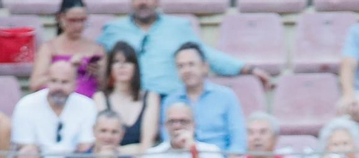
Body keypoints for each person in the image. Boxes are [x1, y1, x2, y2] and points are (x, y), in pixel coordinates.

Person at [97, 0, 272, 100]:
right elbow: (95, 58)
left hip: (170, 99)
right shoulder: (113, 30)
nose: (143, 2)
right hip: (132, 100)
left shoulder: (178, 27)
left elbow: (206, 54)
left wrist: (248, 69)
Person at [11, 58, 96, 158]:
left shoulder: (87, 105)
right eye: (54, 81)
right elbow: (25, 147)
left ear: (75, 84)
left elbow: (85, 146)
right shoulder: (26, 105)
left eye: (64, 82)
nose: (58, 87)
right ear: (47, 81)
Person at [163, 41, 244, 156]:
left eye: (191, 64)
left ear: (205, 67)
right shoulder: (170, 101)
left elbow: (238, 141)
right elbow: (167, 140)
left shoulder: (226, 97)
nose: (186, 70)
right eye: (181, 66)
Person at [94, 40, 158, 154]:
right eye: (116, 61)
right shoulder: (100, 97)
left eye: (128, 61)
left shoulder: (151, 97)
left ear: (135, 67)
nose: (122, 66)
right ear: (110, 67)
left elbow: (148, 141)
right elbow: (104, 140)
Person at [30, 0, 102, 97]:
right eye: (73, 20)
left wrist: (98, 74)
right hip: (56, 100)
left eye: (82, 20)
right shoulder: (49, 48)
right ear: (61, 18)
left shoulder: (96, 48)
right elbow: (35, 84)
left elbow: (105, 86)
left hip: (89, 103)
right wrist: (67, 67)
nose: (78, 26)